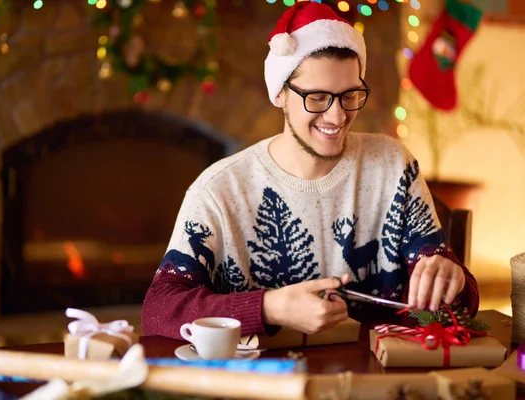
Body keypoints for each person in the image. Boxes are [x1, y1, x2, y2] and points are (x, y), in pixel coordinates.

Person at [141, 1, 479, 339]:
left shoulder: (394, 166)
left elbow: (459, 309)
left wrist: (455, 278)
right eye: (317, 98)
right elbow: (158, 312)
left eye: (350, 96)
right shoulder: (219, 190)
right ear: (281, 94)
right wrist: (270, 307)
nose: (336, 117)